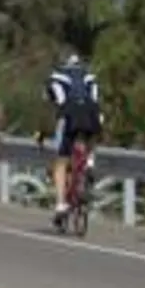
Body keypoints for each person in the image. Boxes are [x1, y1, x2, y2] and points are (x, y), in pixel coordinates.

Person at [45, 51, 102, 229]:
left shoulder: (56, 76)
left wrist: (41, 132)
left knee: (61, 162)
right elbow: (95, 97)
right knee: (89, 136)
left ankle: (61, 204)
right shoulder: (89, 75)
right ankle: (90, 161)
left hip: (69, 113)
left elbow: (55, 105)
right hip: (91, 111)